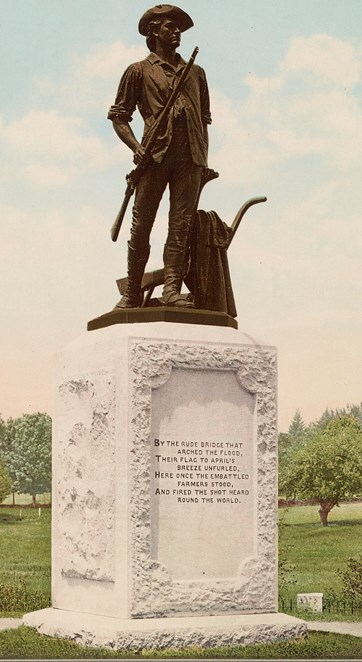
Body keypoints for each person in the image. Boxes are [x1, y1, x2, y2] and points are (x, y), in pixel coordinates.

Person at [108, 4, 212, 308]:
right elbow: (119, 116)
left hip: (190, 156)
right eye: (170, 27)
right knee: (141, 226)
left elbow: (204, 119)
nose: (176, 32)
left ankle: (170, 291)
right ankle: (131, 293)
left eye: (178, 27)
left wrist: (203, 160)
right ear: (154, 33)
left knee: (181, 225)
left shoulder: (196, 73)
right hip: (154, 156)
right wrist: (136, 148)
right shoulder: (138, 71)